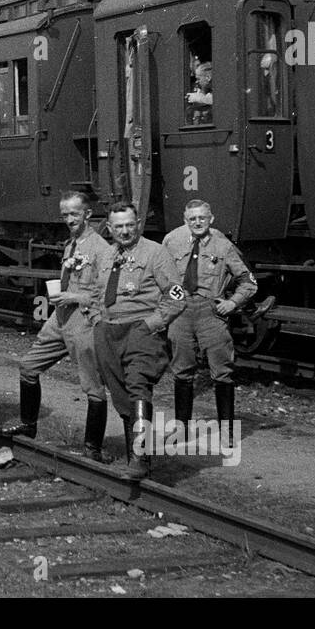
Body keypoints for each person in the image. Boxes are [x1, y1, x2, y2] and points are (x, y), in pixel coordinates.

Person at [2, 191, 117, 460]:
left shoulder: (102, 250)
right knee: (28, 367)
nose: (69, 219)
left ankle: (93, 448)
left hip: (83, 319)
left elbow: (107, 296)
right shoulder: (71, 244)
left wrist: (75, 297)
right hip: (60, 318)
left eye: (74, 214)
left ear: (88, 214)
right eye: (65, 214)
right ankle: (29, 426)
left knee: (92, 386)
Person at [94, 202, 186, 480]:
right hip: (108, 332)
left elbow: (177, 296)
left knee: (138, 387)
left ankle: (140, 458)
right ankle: (134, 454)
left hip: (141, 331)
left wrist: (152, 324)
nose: (124, 231)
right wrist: (97, 319)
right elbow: (98, 292)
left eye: (129, 225)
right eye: (118, 226)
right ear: (110, 229)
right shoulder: (108, 255)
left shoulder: (156, 253)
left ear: (138, 224)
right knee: (120, 394)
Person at [162, 200, 257, 450]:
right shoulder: (172, 240)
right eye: (192, 218)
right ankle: (181, 429)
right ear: (185, 219)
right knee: (182, 371)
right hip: (180, 311)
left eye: (202, 218)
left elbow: (249, 283)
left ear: (211, 219)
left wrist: (232, 304)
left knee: (222, 373)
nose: (197, 222)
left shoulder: (223, 246)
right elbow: (158, 274)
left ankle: (227, 433)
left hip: (210, 313)